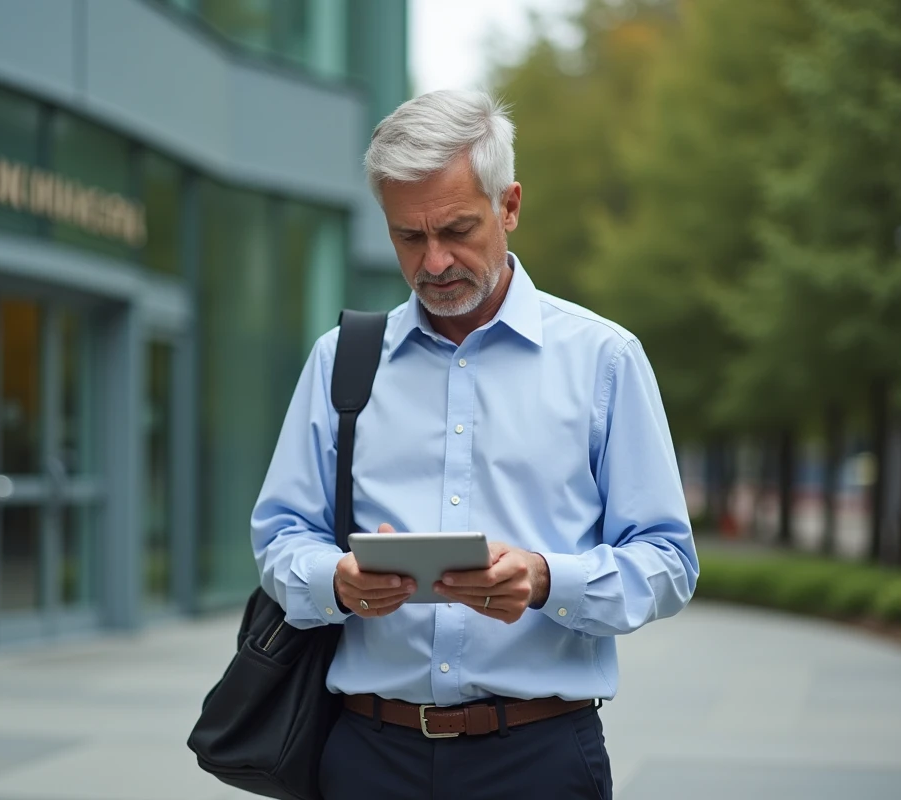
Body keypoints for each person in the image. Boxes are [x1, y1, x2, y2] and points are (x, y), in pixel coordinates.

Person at [251, 89, 698, 800]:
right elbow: (280, 537)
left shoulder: (604, 361)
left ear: (509, 206)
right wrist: (335, 581)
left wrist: (548, 580)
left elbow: (670, 563)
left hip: (541, 760)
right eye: (409, 237)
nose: (433, 263)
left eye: (457, 229)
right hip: (367, 757)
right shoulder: (340, 360)